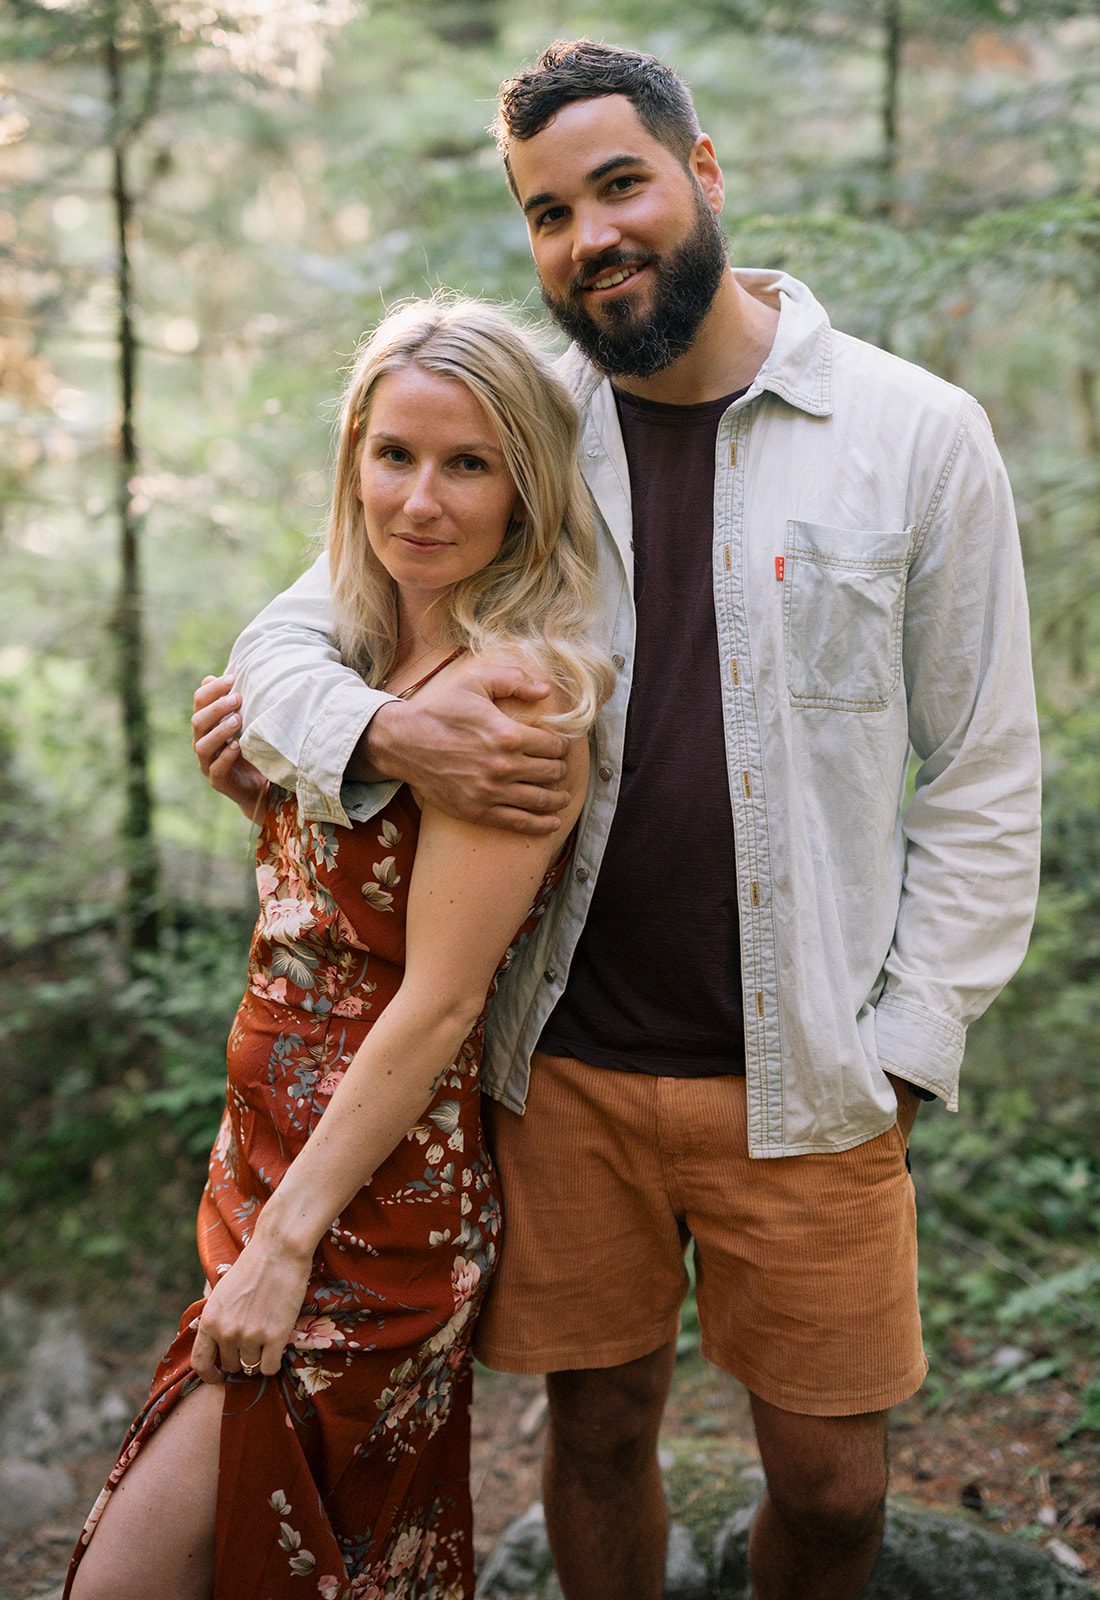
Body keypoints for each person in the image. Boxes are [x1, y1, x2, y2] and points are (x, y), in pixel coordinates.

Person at [193, 40, 1042, 1600]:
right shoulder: (533, 424)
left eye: (619, 185)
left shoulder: (916, 437)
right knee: (594, 1436)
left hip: (813, 1074)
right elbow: (285, 641)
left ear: (701, 174)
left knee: (837, 1491)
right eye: (546, 212)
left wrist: (911, 1043)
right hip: (562, 1062)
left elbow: (985, 778)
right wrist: (375, 730)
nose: (589, 236)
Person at [65, 295, 610, 1600]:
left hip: (365, 1217)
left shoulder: (512, 694)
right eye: (395, 455)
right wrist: (271, 802)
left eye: (467, 463)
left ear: (526, 487)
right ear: (353, 458)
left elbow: (434, 1004)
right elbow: (353, 911)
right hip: (260, 1166)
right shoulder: (356, 660)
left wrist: (286, 1248)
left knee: (142, 1573)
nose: (420, 499)